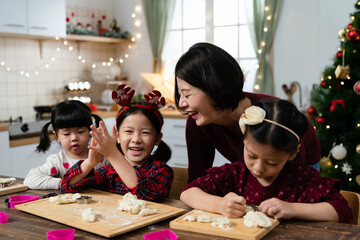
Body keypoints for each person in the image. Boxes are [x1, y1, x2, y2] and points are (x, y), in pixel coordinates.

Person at [180, 100, 353, 223]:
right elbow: (187, 193)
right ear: (245, 141)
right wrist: (220, 204)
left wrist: (293, 209)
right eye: (252, 156)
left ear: (292, 154)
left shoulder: (303, 179)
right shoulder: (235, 174)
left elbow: (343, 210)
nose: (258, 168)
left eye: (272, 163)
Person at [174, 42, 321, 183]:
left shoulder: (274, 117)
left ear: (215, 87)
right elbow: (196, 179)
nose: (181, 103)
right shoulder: (198, 121)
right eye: (180, 94)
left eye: (187, 95)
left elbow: (288, 189)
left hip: (299, 166)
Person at [61, 85, 173, 201]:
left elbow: (143, 193)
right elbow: (67, 188)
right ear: (118, 137)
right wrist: (89, 163)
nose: (136, 139)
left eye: (145, 132)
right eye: (129, 131)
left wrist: (112, 153)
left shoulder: (162, 171)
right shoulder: (109, 172)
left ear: (157, 139)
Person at [24, 100, 109, 190]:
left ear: (90, 132)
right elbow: (30, 179)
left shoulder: (101, 157)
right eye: (66, 134)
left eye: (80, 132)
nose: (74, 138)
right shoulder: (58, 161)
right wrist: (62, 183)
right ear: (57, 136)